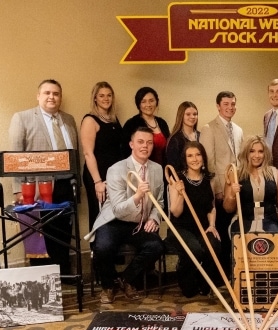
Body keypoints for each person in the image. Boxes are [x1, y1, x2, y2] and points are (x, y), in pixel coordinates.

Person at [86, 127, 165, 304]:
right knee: (103, 247)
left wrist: (153, 217)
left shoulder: (157, 169)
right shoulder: (116, 169)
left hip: (139, 222)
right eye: (140, 142)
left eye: (149, 142)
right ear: (131, 145)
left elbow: (159, 202)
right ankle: (108, 286)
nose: (145, 146)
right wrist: (137, 196)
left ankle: (125, 279)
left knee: (156, 246)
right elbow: (118, 210)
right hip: (114, 221)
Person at [9, 79, 79, 278]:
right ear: (38, 95)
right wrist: (18, 189)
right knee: (40, 233)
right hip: (37, 187)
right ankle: (43, 279)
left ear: (60, 97)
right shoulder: (22, 118)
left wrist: (77, 183)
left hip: (66, 184)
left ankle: (63, 274)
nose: (52, 97)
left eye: (56, 93)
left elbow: (76, 154)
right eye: (47, 93)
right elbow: (15, 157)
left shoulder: (69, 119)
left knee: (64, 232)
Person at [166, 141, 220, 297]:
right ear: (185, 159)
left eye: (198, 154)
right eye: (190, 156)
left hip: (203, 227)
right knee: (194, 249)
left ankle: (204, 281)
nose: (195, 159)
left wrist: (212, 225)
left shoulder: (209, 179)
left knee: (214, 245)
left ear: (203, 157)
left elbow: (211, 207)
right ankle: (185, 278)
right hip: (181, 228)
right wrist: (181, 193)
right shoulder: (176, 179)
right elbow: (175, 212)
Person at [199, 91, 244, 274]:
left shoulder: (239, 130)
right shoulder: (209, 128)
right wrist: (216, 190)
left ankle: (233, 270)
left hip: (236, 189)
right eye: (226, 104)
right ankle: (220, 273)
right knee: (221, 231)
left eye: (232, 104)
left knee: (233, 230)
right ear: (218, 106)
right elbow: (208, 163)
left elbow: (240, 160)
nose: (230, 107)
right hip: (219, 189)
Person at [223, 135, 278, 235]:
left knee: (272, 241)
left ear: (265, 154)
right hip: (243, 221)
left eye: (260, 151)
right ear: (246, 153)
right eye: (252, 151)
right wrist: (232, 195)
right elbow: (228, 209)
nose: (257, 155)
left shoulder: (275, 173)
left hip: (271, 220)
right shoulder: (235, 173)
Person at [80, 81, 123, 229]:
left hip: (114, 175)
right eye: (102, 95)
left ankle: (111, 248)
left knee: (115, 212)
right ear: (95, 98)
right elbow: (88, 153)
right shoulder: (90, 120)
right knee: (100, 213)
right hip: (98, 175)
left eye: (109, 95)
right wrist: (97, 182)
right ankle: (97, 249)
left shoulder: (113, 119)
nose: (106, 98)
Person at [121, 87, 171, 167]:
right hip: (139, 171)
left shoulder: (162, 123)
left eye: (151, 101)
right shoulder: (131, 124)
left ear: (156, 102)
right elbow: (124, 151)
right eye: (143, 101)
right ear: (138, 104)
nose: (148, 105)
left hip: (162, 170)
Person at [166, 101, 200, 170]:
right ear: (181, 116)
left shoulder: (201, 136)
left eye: (195, 114)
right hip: (182, 179)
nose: (192, 117)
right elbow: (173, 167)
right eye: (188, 114)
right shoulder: (175, 139)